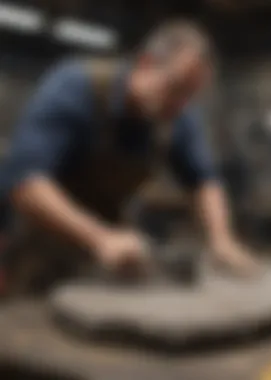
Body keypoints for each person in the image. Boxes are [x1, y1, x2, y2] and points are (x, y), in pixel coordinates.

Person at [0, 20, 256, 288]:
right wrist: (100, 238)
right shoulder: (76, 87)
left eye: (189, 96)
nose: (180, 105)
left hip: (104, 255)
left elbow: (204, 181)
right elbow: (25, 182)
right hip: (40, 251)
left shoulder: (175, 115)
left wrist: (221, 239)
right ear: (146, 64)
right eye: (176, 88)